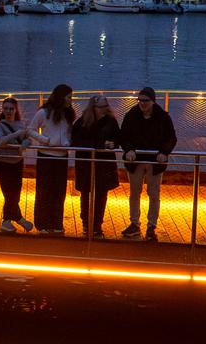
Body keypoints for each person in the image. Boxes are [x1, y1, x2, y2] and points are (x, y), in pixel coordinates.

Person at [118, 87, 177, 242]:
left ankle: (151, 226)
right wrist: (129, 149)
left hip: (154, 161)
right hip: (135, 161)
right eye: (140, 100)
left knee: (154, 194)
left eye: (146, 101)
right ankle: (134, 223)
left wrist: (164, 152)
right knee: (134, 193)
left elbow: (171, 137)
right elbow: (123, 136)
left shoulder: (163, 117)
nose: (142, 103)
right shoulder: (131, 116)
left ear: (153, 101)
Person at [71, 95, 120, 238]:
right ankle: (86, 223)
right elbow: (76, 140)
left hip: (103, 165)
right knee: (86, 193)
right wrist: (101, 144)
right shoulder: (82, 123)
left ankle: (97, 225)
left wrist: (114, 144)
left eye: (106, 106)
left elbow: (118, 137)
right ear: (94, 108)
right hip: (86, 163)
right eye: (101, 107)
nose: (105, 109)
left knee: (101, 195)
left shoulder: (111, 122)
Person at [28, 84, 75, 233]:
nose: (71, 100)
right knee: (44, 190)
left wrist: (68, 141)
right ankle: (42, 223)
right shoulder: (44, 112)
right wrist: (45, 140)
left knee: (59, 191)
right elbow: (31, 129)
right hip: (46, 156)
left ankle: (56, 223)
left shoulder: (68, 113)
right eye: (69, 97)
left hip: (62, 156)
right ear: (61, 97)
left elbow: (68, 132)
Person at [0, 96, 33, 233]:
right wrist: (17, 134)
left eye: (11, 108)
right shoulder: (0, 125)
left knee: (15, 193)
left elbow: (28, 140)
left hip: (17, 162)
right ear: (3, 110)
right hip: (4, 163)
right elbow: (0, 141)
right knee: (9, 194)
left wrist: (24, 144)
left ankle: (11, 220)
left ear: (16, 110)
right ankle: (13, 219)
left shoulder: (21, 124)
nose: (8, 111)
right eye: (6, 108)